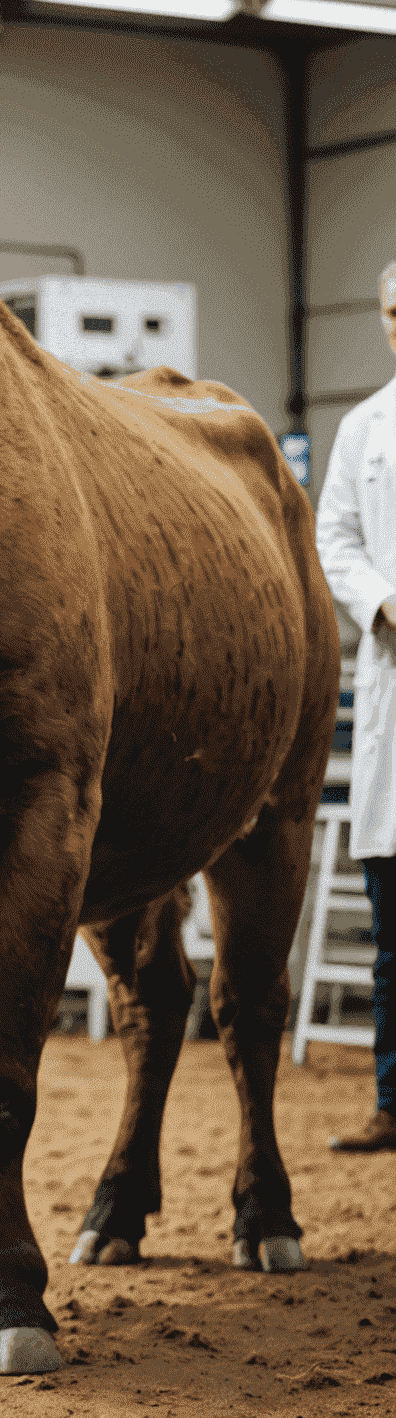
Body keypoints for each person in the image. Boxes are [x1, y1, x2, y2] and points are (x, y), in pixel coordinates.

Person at [315, 256, 396, 1155]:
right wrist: (379, 600)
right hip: (393, 691)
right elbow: (334, 534)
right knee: (393, 935)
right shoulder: (366, 428)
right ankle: (392, 1099)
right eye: (393, 311)